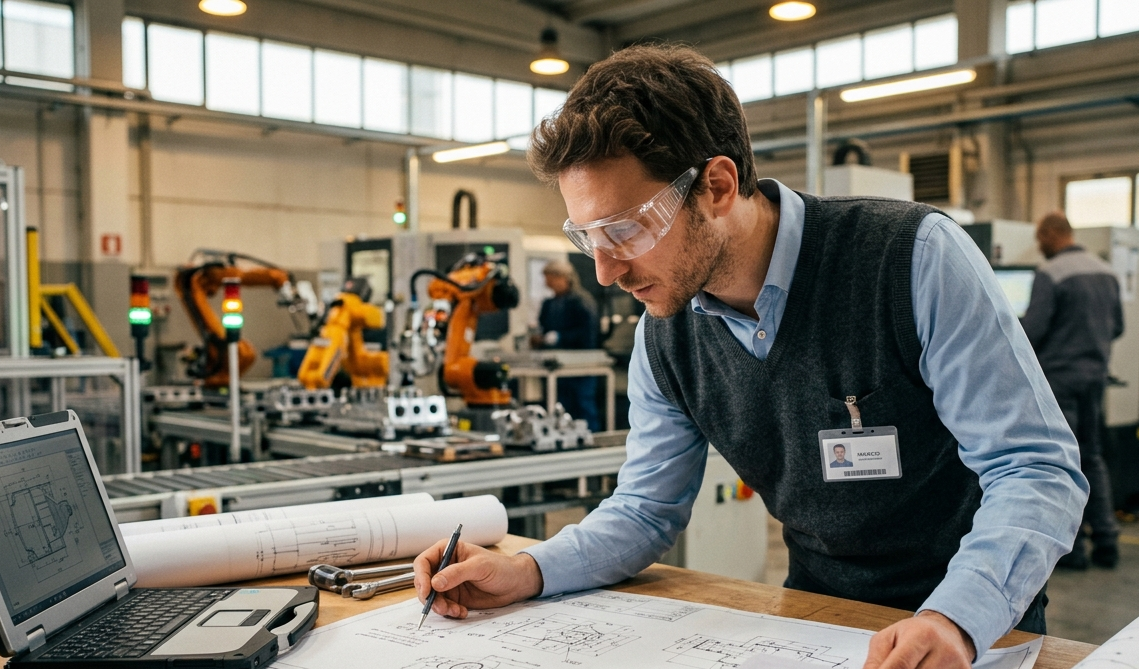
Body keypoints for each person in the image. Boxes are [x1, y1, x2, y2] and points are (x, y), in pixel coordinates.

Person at [413, 44, 1087, 669]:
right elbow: (647, 507)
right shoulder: (666, 333)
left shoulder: (909, 259)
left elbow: (1036, 469)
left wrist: (954, 619)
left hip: (977, 625)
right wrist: (529, 570)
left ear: (717, 185)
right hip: (817, 618)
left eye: (624, 229)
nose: (604, 271)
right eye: (586, 236)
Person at [1020, 211, 1124, 570]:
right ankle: (1107, 541)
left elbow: (1031, 330)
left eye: (1040, 237)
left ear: (1052, 233)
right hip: (1094, 377)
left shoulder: (1051, 274)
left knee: (1064, 461)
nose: (1038, 245)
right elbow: (1119, 326)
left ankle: (1074, 550)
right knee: (1092, 456)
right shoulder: (1106, 270)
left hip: (1058, 380)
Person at [534, 259, 601, 431]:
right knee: (561, 407)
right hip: (557, 365)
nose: (547, 283)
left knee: (583, 405)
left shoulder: (581, 301)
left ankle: (591, 443)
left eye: (550, 278)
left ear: (563, 277)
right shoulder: (549, 304)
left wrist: (560, 337)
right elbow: (544, 326)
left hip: (582, 365)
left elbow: (589, 334)